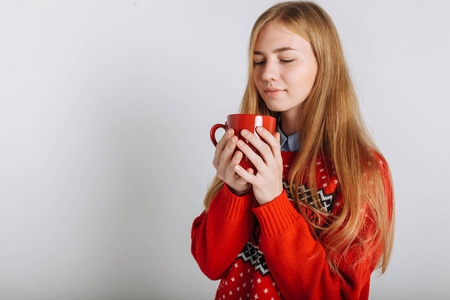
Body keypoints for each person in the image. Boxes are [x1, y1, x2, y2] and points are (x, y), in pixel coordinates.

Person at [191, 1, 394, 299]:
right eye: (258, 61)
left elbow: (332, 293)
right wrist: (233, 194)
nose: (267, 74)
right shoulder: (250, 152)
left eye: (285, 59)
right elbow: (210, 264)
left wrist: (274, 201)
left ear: (324, 64)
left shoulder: (361, 169)